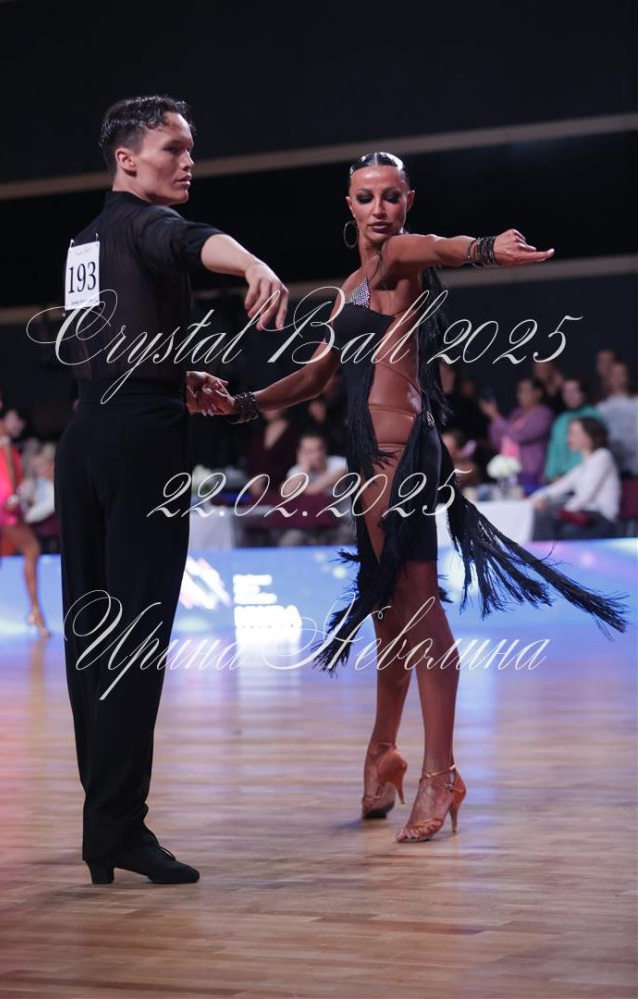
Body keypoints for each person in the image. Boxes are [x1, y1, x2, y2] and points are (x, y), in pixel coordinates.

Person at [211, 151, 626, 845]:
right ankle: (382, 754)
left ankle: (441, 773)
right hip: (370, 459)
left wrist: (485, 248)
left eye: (391, 196)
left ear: (409, 200)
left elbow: (435, 246)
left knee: (419, 610)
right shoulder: (352, 286)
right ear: (348, 204)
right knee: (388, 616)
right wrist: (243, 404)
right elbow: (314, 377)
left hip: (400, 455)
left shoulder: (400, 259)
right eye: (366, 197)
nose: (379, 209)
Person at [53, 95, 288, 885]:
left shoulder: (85, 241)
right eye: (172, 148)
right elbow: (189, 240)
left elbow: (99, 343)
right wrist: (251, 264)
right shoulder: (149, 222)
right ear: (127, 159)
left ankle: (105, 823)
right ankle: (118, 825)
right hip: (141, 444)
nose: (188, 161)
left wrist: (166, 373)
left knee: (92, 637)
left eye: (191, 149)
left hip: (86, 435)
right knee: (134, 637)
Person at [0, 379, 51, 637]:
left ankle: (35, 613)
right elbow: (8, 463)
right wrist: (14, 495)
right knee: (32, 549)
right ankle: (35, 612)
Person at [530, 418, 620, 540]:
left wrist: (561, 512)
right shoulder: (583, 465)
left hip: (601, 518)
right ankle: (539, 552)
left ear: (590, 436)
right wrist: (538, 497)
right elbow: (557, 488)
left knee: (556, 523)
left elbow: (585, 495)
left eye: (574, 433)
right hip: (582, 515)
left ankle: (543, 552)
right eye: (569, 433)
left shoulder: (602, 457)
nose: (569, 438)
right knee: (543, 518)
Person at [482, 377, 554, 494]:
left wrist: (496, 416)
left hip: (532, 471)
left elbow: (521, 436)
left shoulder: (544, 414)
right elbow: (500, 441)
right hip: (510, 471)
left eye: (525, 391)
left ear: (538, 393)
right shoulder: (516, 414)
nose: (521, 395)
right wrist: (493, 420)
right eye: (519, 391)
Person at [544, 375, 604, 481]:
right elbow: (553, 450)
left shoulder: (593, 417)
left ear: (583, 394)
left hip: (587, 476)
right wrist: (552, 475)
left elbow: (598, 448)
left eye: (574, 391)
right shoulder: (560, 420)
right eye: (566, 392)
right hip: (561, 478)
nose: (570, 396)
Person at [596, 362, 638, 476]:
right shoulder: (601, 408)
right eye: (614, 375)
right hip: (613, 465)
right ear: (608, 378)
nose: (618, 378)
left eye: (621, 374)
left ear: (628, 376)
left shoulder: (636, 402)